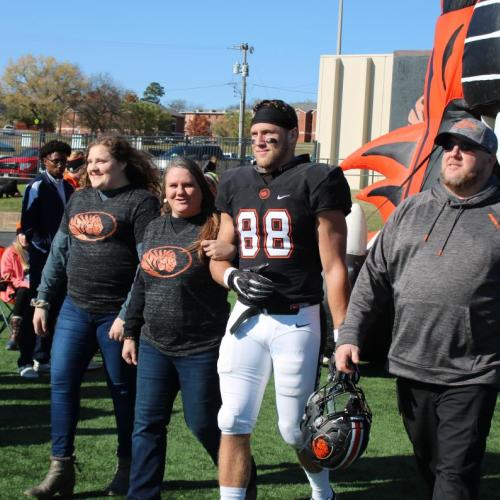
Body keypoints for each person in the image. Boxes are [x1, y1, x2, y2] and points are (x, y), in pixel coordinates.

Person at [336, 117, 500, 500]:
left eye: (467, 146)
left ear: (491, 160)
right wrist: (349, 335)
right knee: (428, 465)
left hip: (472, 371)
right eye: (449, 146)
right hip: (411, 367)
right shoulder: (410, 211)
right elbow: (372, 279)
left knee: (455, 473)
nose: (454, 153)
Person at [210, 99, 352, 500]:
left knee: (293, 428)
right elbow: (221, 254)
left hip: (296, 319)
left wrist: (344, 334)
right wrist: (232, 276)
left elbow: (335, 266)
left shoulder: (318, 178)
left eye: (270, 133)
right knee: (233, 418)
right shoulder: (234, 182)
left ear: (294, 134)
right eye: (255, 134)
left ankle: (323, 493)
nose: (260, 140)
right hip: (246, 319)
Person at [24, 136, 161, 498]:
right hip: (74, 308)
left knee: (122, 392)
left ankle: (128, 468)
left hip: (115, 317)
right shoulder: (81, 198)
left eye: (101, 161)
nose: (92, 168)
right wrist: (42, 300)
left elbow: (147, 265)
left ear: (122, 164)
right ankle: (61, 469)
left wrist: (127, 316)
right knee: (62, 383)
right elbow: (59, 250)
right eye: (89, 162)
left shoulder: (141, 202)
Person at [123, 157, 235, 499]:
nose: (180, 191)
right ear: (164, 191)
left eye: (187, 184)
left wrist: (232, 249)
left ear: (201, 188)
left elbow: (237, 269)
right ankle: (142, 495)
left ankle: (240, 481)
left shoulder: (215, 228)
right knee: (147, 427)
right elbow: (142, 280)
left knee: (203, 424)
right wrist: (131, 330)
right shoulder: (154, 228)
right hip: (154, 344)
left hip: (200, 347)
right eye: (173, 185)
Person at [21, 139, 74, 373]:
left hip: (65, 258)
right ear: (45, 161)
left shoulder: (69, 188)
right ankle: (26, 358)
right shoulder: (37, 186)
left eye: (64, 161)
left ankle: (45, 356)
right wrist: (46, 247)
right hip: (43, 257)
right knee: (37, 304)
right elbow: (28, 225)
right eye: (56, 161)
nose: (61, 166)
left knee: (60, 306)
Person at [1, 229, 30, 358]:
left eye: (27, 235)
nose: (24, 238)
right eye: (22, 234)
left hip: (36, 289)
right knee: (24, 291)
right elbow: (6, 276)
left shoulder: (38, 252)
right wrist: (25, 283)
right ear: (18, 236)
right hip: (14, 290)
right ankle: (15, 335)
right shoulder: (10, 252)